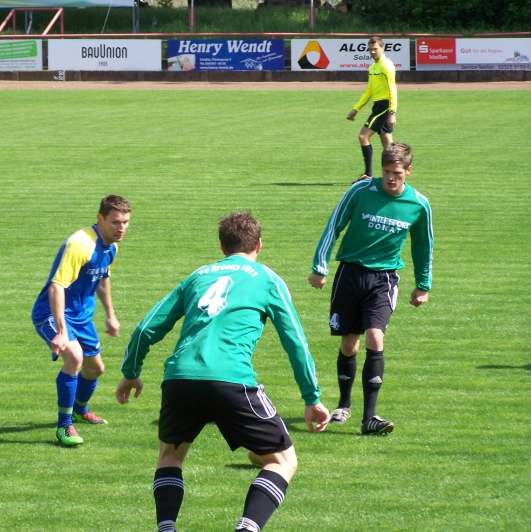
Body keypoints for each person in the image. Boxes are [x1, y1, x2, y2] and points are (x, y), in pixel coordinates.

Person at [116, 212, 329, 532]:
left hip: (180, 380)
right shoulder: (267, 279)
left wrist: (131, 371)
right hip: (231, 381)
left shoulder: (198, 276)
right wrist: (312, 398)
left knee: (170, 457)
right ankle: (247, 528)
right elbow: (295, 341)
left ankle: (166, 528)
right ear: (259, 244)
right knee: (282, 461)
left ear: (222, 246)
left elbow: (145, 328)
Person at [308, 143, 433, 436]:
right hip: (350, 273)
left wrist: (422, 285)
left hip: (383, 279)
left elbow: (423, 245)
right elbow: (334, 225)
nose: (390, 177)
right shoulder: (360, 191)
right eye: (386, 171)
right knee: (349, 343)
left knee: (375, 337)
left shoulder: (418, 204)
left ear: (409, 171)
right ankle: (344, 404)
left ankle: (369, 418)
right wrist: (320, 267)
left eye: (397, 173)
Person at [31, 195, 132, 446]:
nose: (121, 228)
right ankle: (64, 426)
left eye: (125, 222)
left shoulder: (112, 246)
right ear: (100, 219)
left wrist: (110, 315)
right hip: (51, 313)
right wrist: (61, 331)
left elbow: (102, 278)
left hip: (81, 317)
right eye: (115, 222)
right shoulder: (81, 244)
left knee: (95, 368)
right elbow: (56, 287)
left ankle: (79, 410)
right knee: (74, 358)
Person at [347, 36, 397, 184]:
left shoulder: (386, 66)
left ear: (382, 48)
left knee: (363, 136)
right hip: (378, 105)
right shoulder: (373, 67)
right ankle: (396, 171)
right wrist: (356, 109)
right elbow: (369, 91)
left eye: (375, 49)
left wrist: (392, 112)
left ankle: (368, 174)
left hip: (384, 106)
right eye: (370, 49)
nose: (373, 52)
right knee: (388, 144)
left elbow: (392, 89)